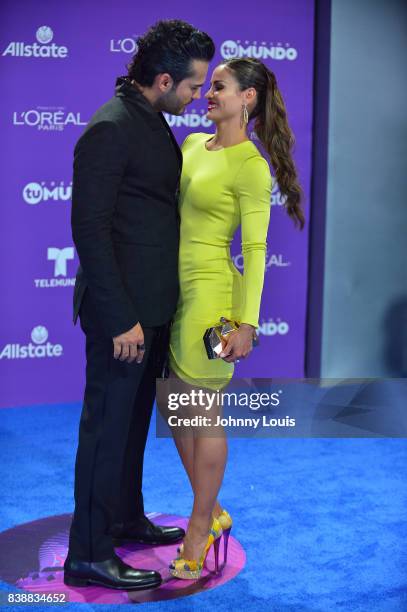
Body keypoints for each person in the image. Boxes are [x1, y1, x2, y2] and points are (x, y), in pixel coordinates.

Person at [63, 20, 215, 591]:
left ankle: (125, 518)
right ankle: (89, 551)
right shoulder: (111, 128)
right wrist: (122, 315)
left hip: (151, 309)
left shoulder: (149, 120)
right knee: (106, 431)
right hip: (121, 314)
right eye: (194, 87)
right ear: (163, 79)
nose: (197, 97)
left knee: (130, 429)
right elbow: (90, 229)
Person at [166, 57, 304, 579]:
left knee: (202, 412)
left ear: (247, 98)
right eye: (210, 86)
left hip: (214, 300)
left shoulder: (251, 166)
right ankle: (214, 508)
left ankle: (199, 528)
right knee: (175, 409)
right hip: (171, 295)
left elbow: (256, 248)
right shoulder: (190, 146)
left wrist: (247, 323)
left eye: (219, 87)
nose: (209, 93)